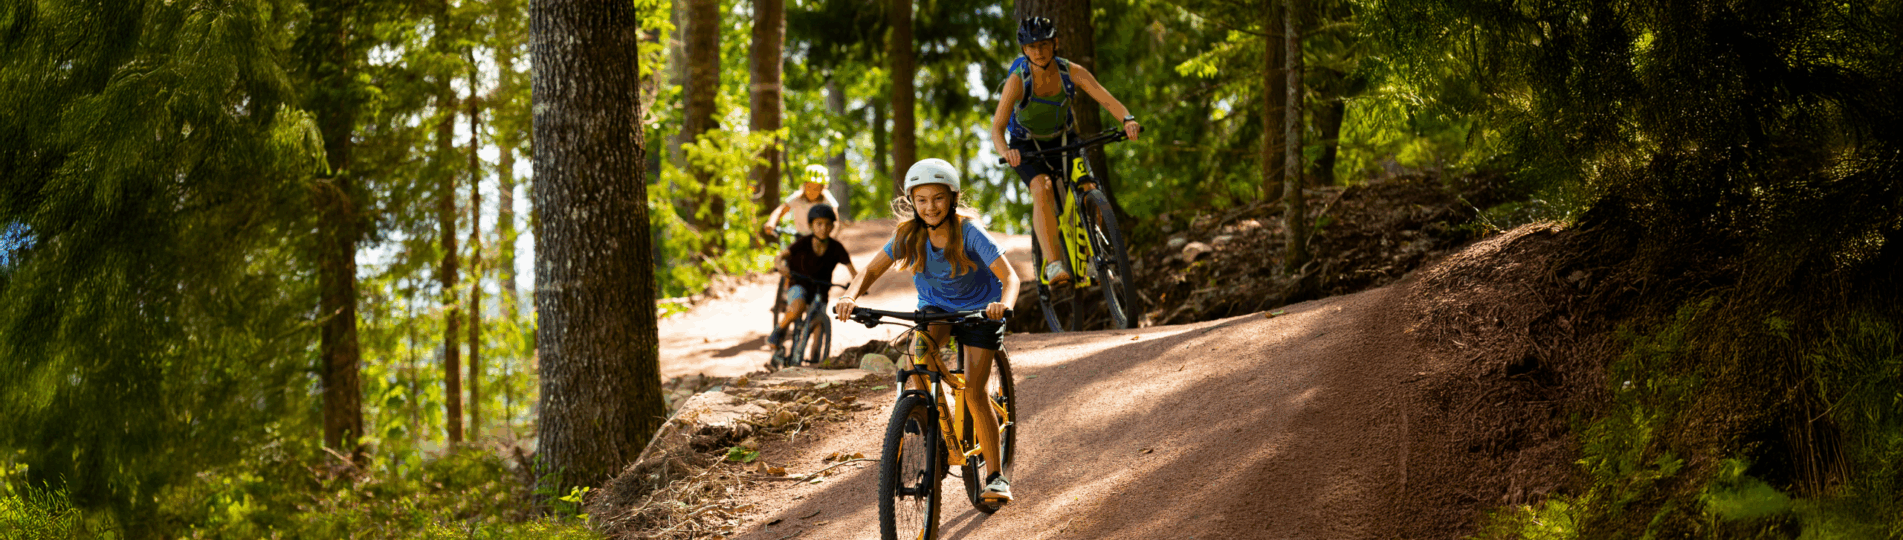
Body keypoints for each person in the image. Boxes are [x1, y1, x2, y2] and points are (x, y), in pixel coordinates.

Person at [834, 158, 1022, 505]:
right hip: (935, 309)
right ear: (912, 201)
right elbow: (871, 270)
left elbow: (1011, 277)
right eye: (921, 199)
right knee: (914, 365)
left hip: (980, 310)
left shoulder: (969, 231)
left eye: (937, 198)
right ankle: (925, 417)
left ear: (952, 198)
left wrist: (1003, 306)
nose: (930, 207)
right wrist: (850, 295)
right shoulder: (909, 233)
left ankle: (995, 476)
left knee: (976, 392)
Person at [990, 16, 1141, 286]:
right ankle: (1054, 264)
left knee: (1088, 187)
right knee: (1041, 187)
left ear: (1055, 43)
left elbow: (1105, 98)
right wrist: (1007, 152)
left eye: (1045, 44)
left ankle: (1094, 256)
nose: (1039, 51)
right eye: (1032, 46)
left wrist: (1127, 119)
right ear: (1024, 50)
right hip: (1026, 145)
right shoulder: (1018, 79)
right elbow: (997, 128)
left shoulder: (1071, 71)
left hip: (1063, 139)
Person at [768, 204, 858, 359]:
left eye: (828, 224)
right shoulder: (803, 242)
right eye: (819, 224)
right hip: (799, 284)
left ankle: (816, 360)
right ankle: (779, 331)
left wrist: (856, 287)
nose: (824, 228)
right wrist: (780, 266)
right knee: (797, 307)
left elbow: (854, 272)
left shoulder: (837, 248)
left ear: (832, 227)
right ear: (811, 226)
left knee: (819, 322)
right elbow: (780, 256)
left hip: (821, 290)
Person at [764, 164, 843, 237]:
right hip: (801, 238)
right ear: (804, 185)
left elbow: (835, 222)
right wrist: (771, 222)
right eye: (809, 187)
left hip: (821, 239)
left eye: (816, 188)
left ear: (822, 188)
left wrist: (830, 237)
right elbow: (780, 210)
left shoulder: (827, 200)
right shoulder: (797, 197)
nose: (812, 191)